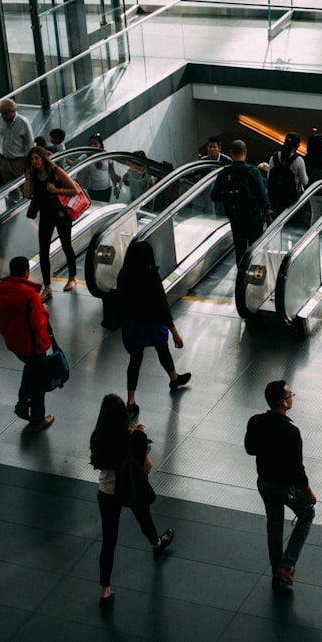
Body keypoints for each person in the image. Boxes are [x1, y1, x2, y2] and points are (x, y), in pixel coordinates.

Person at [89, 394, 174, 609]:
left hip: (106, 492)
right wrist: (139, 439)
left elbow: (101, 460)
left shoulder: (97, 436)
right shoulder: (135, 438)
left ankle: (105, 590)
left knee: (109, 541)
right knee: (143, 515)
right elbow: (147, 467)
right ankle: (156, 543)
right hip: (130, 488)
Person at [244, 380, 316, 590]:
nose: (292, 396)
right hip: (286, 488)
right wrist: (308, 491)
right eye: (290, 394)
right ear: (284, 403)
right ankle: (287, 564)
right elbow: (297, 469)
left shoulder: (255, 421)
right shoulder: (291, 432)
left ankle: (277, 571)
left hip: (264, 483)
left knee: (274, 524)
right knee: (307, 513)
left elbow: (250, 449)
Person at [116, 241, 191, 418]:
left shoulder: (124, 273)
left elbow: (119, 299)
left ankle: (131, 401)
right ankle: (174, 379)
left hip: (132, 324)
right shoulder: (151, 275)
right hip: (153, 324)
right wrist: (175, 333)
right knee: (162, 350)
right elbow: (162, 306)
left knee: (135, 359)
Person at [0, 256, 55, 433]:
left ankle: (23, 403)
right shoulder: (30, 296)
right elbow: (38, 324)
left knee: (31, 368)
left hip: (16, 343)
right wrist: (44, 312)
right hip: (33, 345)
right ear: (26, 272)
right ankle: (37, 419)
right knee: (39, 381)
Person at [23, 146, 78, 301]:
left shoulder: (56, 171)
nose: (34, 162)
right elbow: (27, 195)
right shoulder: (33, 175)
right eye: (31, 159)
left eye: (36, 158)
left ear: (43, 158)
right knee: (43, 250)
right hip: (46, 215)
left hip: (61, 214)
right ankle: (47, 286)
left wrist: (55, 190)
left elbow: (74, 190)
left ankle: (72, 277)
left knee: (66, 245)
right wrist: (27, 177)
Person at [212, 139, 271, 265]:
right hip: (253, 217)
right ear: (245, 152)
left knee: (240, 249)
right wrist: (267, 215)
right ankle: (252, 274)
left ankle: (241, 273)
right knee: (255, 248)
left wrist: (227, 198)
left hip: (235, 217)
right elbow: (262, 195)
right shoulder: (253, 172)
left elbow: (214, 196)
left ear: (231, 153)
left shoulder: (225, 172)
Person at [267, 132, 308, 216]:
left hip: (274, 197)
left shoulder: (274, 157)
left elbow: (268, 177)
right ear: (297, 146)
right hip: (291, 199)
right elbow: (304, 182)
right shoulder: (298, 160)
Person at [0, 99, 34, 183]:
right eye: (1, 113)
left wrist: (28, 163)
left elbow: (30, 144)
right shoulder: (0, 119)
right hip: (4, 160)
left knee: (22, 185)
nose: (2, 116)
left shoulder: (23, 122)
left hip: (19, 161)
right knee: (8, 186)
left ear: (13, 111)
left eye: (5, 113)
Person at [79, 134, 120, 202]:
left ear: (100, 144)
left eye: (95, 143)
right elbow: (74, 164)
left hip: (106, 188)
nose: (92, 146)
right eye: (91, 144)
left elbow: (112, 171)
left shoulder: (106, 155)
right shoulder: (85, 156)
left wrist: (116, 186)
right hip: (93, 189)